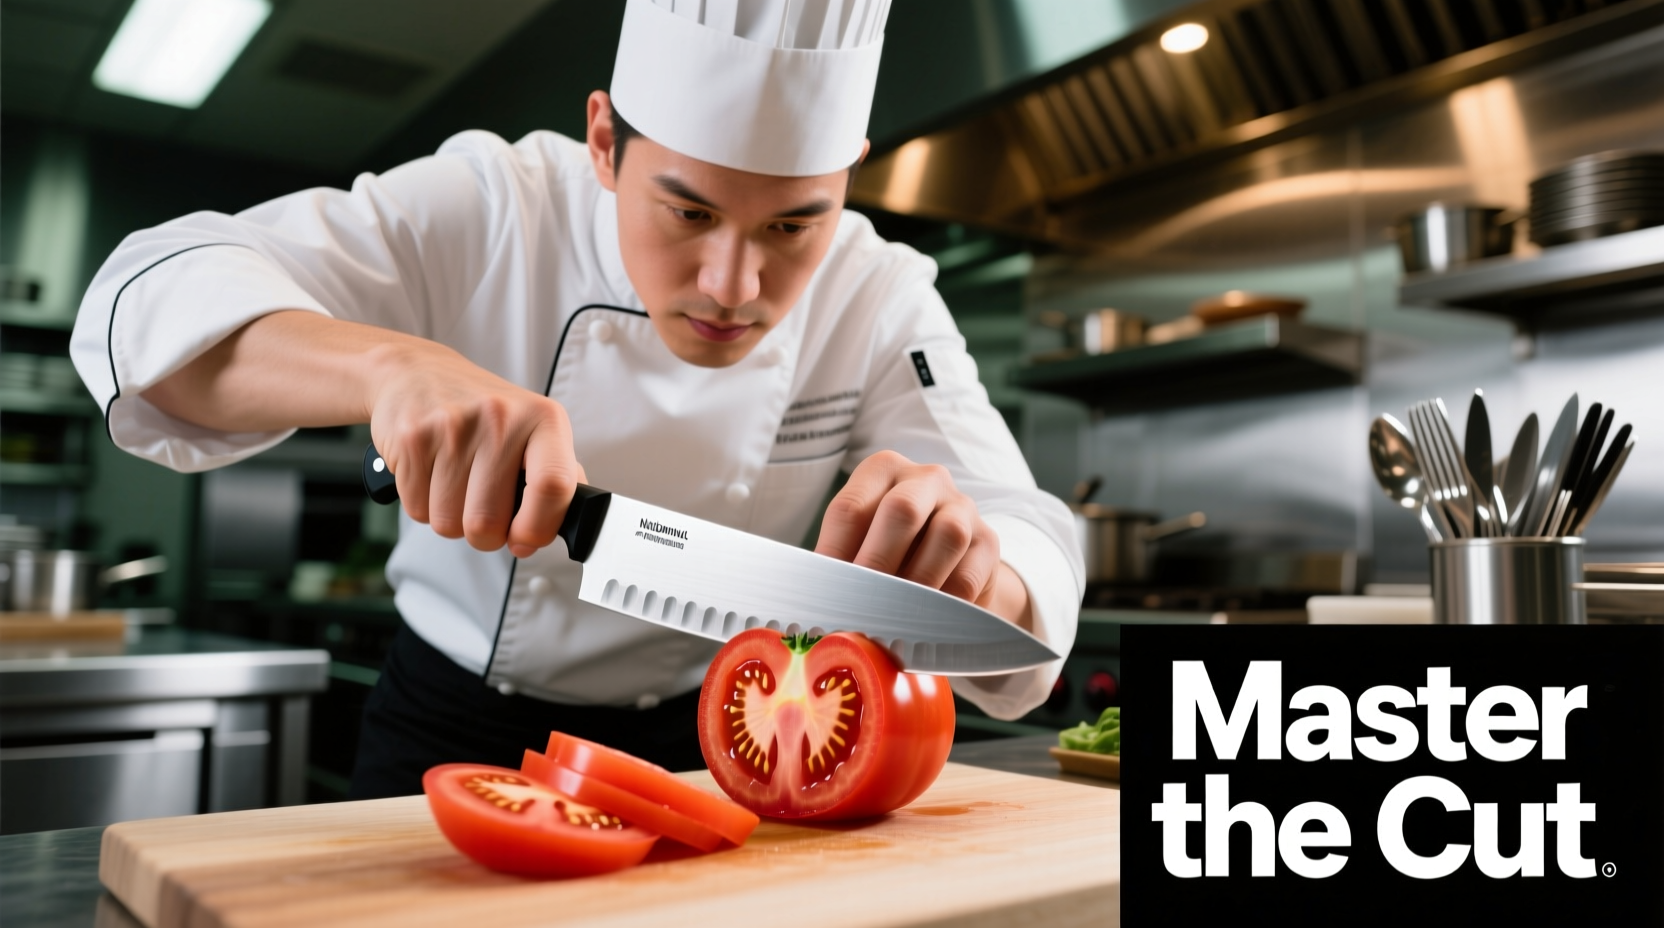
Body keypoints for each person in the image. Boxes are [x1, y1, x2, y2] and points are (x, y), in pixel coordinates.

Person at [71, 0, 1082, 798]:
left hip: (715, 740)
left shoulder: (879, 290)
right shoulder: (493, 206)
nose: (733, 284)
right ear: (603, 141)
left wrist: (972, 572)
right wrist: (386, 368)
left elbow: (1022, 524)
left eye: (789, 228)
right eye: (687, 210)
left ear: (846, 182)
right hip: (451, 723)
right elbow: (143, 301)